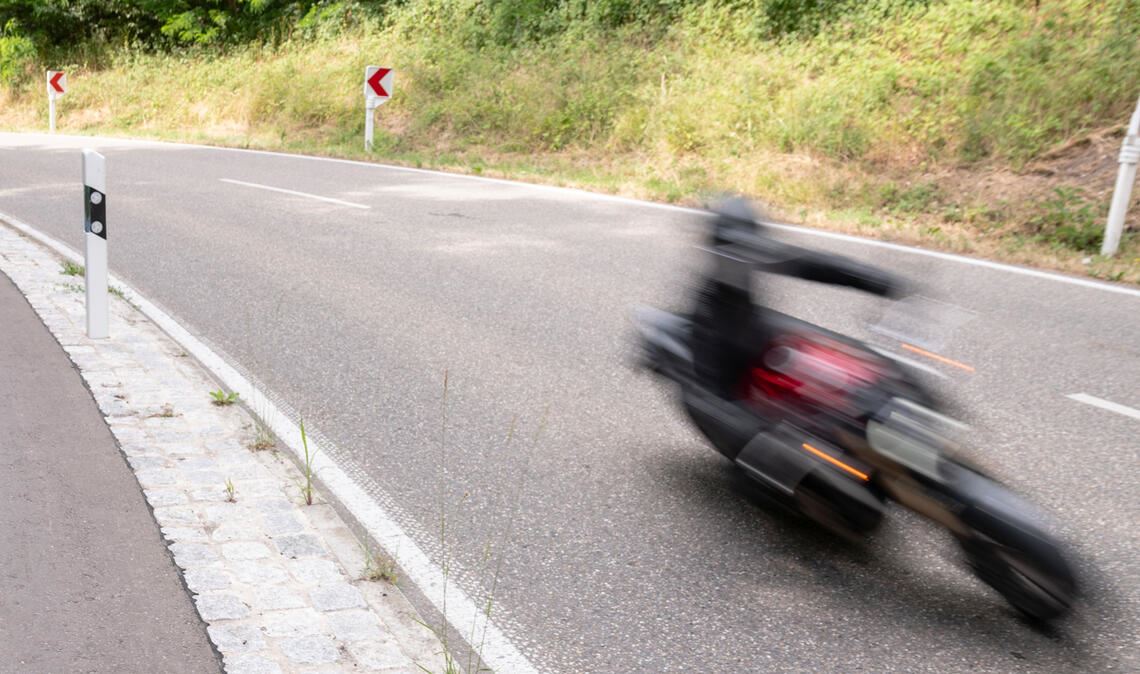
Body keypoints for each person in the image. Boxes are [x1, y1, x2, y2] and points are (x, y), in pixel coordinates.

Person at [688, 197, 902, 397]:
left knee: (831, 358)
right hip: (735, 378)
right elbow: (715, 394)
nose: (739, 257)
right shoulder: (707, 311)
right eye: (731, 248)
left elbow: (814, 263)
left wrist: (875, 280)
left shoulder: (756, 256)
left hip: (758, 338)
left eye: (747, 247)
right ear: (716, 247)